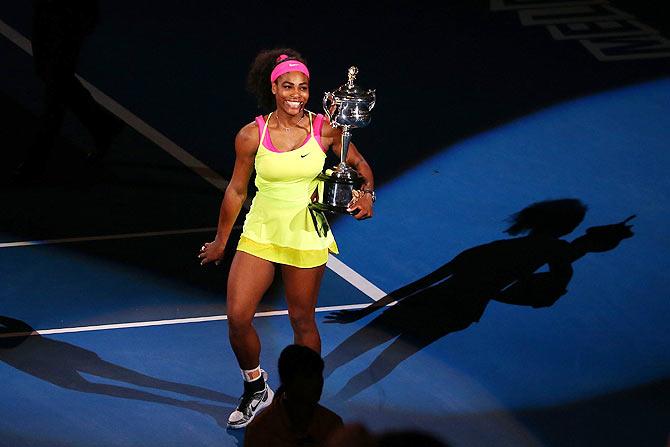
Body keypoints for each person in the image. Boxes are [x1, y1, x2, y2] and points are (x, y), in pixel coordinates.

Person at [198, 48, 375, 428]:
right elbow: (236, 191)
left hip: (305, 235)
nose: (296, 94)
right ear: (274, 88)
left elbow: (359, 166)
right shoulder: (251, 135)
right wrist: (220, 242)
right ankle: (256, 386)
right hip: (260, 231)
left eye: (303, 87)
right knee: (238, 317)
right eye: (288, 86)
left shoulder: (327, 128)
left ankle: (302, 398)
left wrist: (366, 195)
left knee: (302, 321)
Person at [14, 0, 122, 181]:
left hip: (69, 15)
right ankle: (102, 125)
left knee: (56, 90)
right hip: (50, 11)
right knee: (50, 75)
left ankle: (35, 163)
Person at [244, 344, 343, 446]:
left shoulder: (333, 424)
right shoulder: (260, 431)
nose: (316, 385)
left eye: (318, 377)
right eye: (307, 380)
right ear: (287, 382)